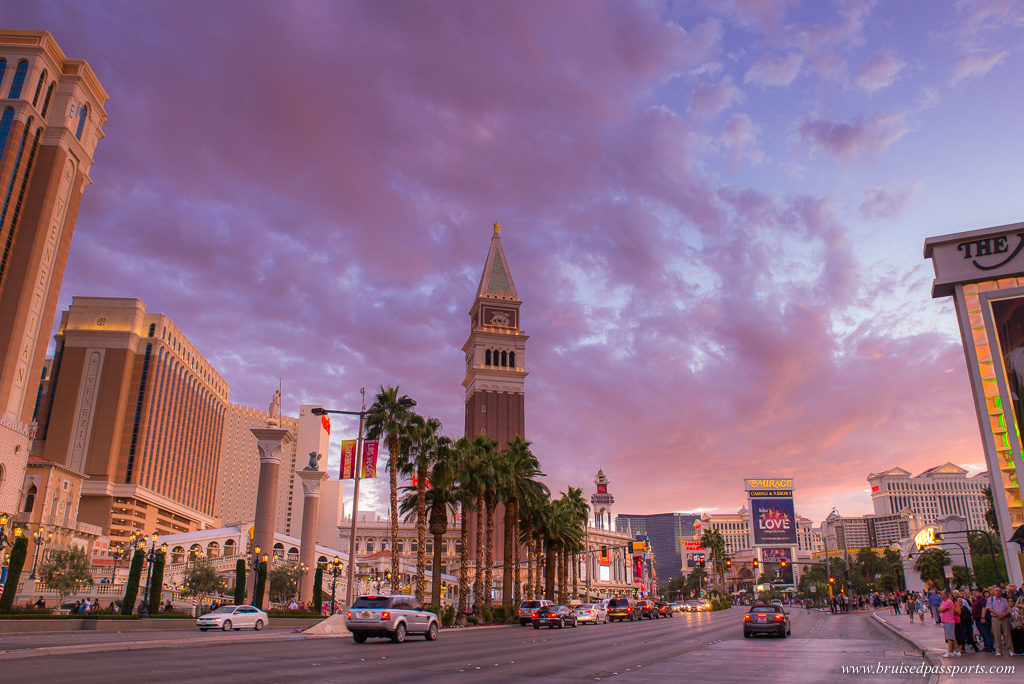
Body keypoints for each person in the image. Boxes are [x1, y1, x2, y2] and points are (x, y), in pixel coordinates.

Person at [986, 586, 1013, 657]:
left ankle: (1010, 650)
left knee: (1007, 634)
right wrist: (998, 614)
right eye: (996, 591)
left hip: (1004, 618)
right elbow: (989, 609)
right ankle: (998, 650)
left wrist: (1004, 614)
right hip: (995, 618)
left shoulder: (1004, 600)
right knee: (997, 634)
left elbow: (1008, 608)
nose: (997, 592)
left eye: (999, 591)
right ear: (994, 592)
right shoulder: (990, 599)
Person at [938, 590, 961, 657]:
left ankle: (949, 652)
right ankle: (956, 651)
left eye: (942, 594)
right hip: (945, 621)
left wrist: (941, 609)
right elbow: (939, 609)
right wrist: (940, 609)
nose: (940, 595)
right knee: (951, 637)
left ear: (945, 595)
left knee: (950, 638)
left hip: (949, 621)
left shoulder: (948, 602)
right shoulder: (943, 602)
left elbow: (941, 609)